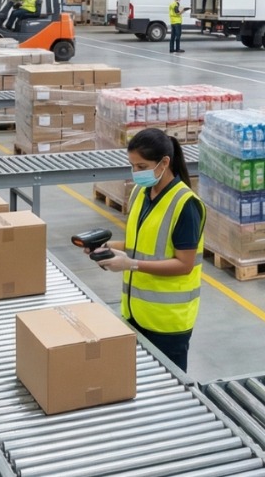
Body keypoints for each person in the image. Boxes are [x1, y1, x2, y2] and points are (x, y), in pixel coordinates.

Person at [90, 128, 204, 371]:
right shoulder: (140, 193)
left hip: (167, 323)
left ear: (164, 163)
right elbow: (140, 244)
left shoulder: (185, 205)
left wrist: (130, 264)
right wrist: (108, 248)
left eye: (142, 167)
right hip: (135, 313)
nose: (136, 173)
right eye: (132, 166)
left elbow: (184, 264)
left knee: (168, 388)